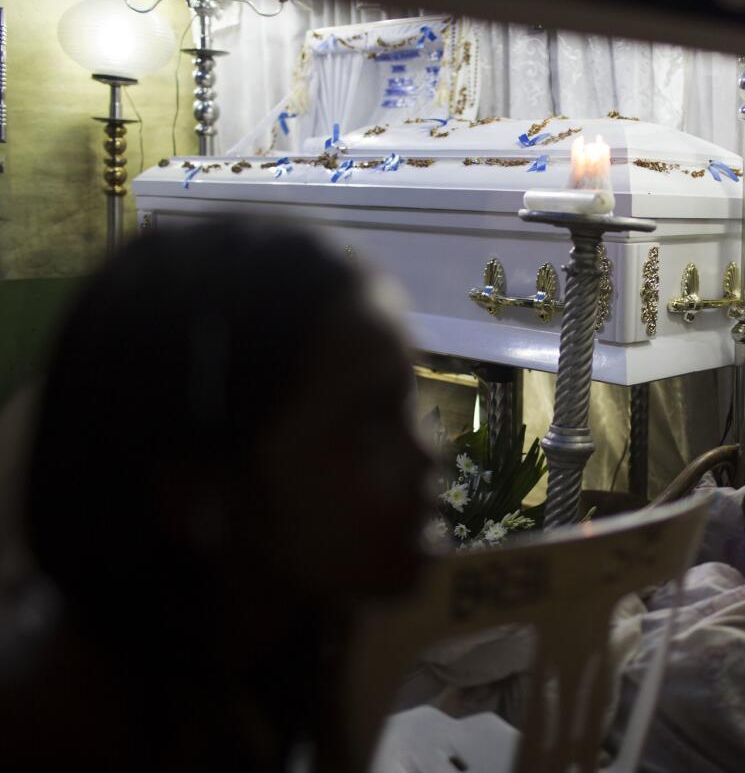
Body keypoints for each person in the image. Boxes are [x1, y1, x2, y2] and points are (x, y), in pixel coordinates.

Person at [0, 220, 435, 771]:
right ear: (199, 486)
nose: (426, 458)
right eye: (371, 426)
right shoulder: (54, 728)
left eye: (405, 411)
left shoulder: (257, 641)